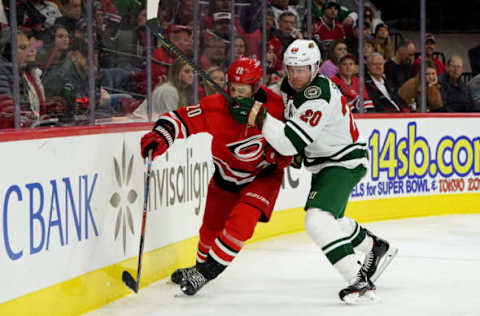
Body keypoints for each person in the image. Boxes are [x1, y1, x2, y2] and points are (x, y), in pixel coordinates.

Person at [234, 40, 398, 304]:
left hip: (342, 163)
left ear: (315, 67)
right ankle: (373, 247)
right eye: (291, 68)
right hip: (326, 162)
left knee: (317, 220)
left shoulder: (318, 96)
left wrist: (260, 117)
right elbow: (278, 101)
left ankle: (358, 280)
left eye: (302, 69)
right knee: (333, 221)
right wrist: (248, 95)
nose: (295, 75)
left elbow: (289, 143)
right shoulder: (293, 86)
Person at [139, 57, 291, 296]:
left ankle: (207, 273)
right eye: (233, 87)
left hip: (263, 176)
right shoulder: (216, 105)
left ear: (257, 86)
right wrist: (160, 136)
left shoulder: (276, 106)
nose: (237, 94)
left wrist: (282, 153)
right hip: (225, 176)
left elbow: (298, 137)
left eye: (243, 89)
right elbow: (179, 119)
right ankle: (199, 268)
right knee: (209, 231)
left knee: (242, 222)